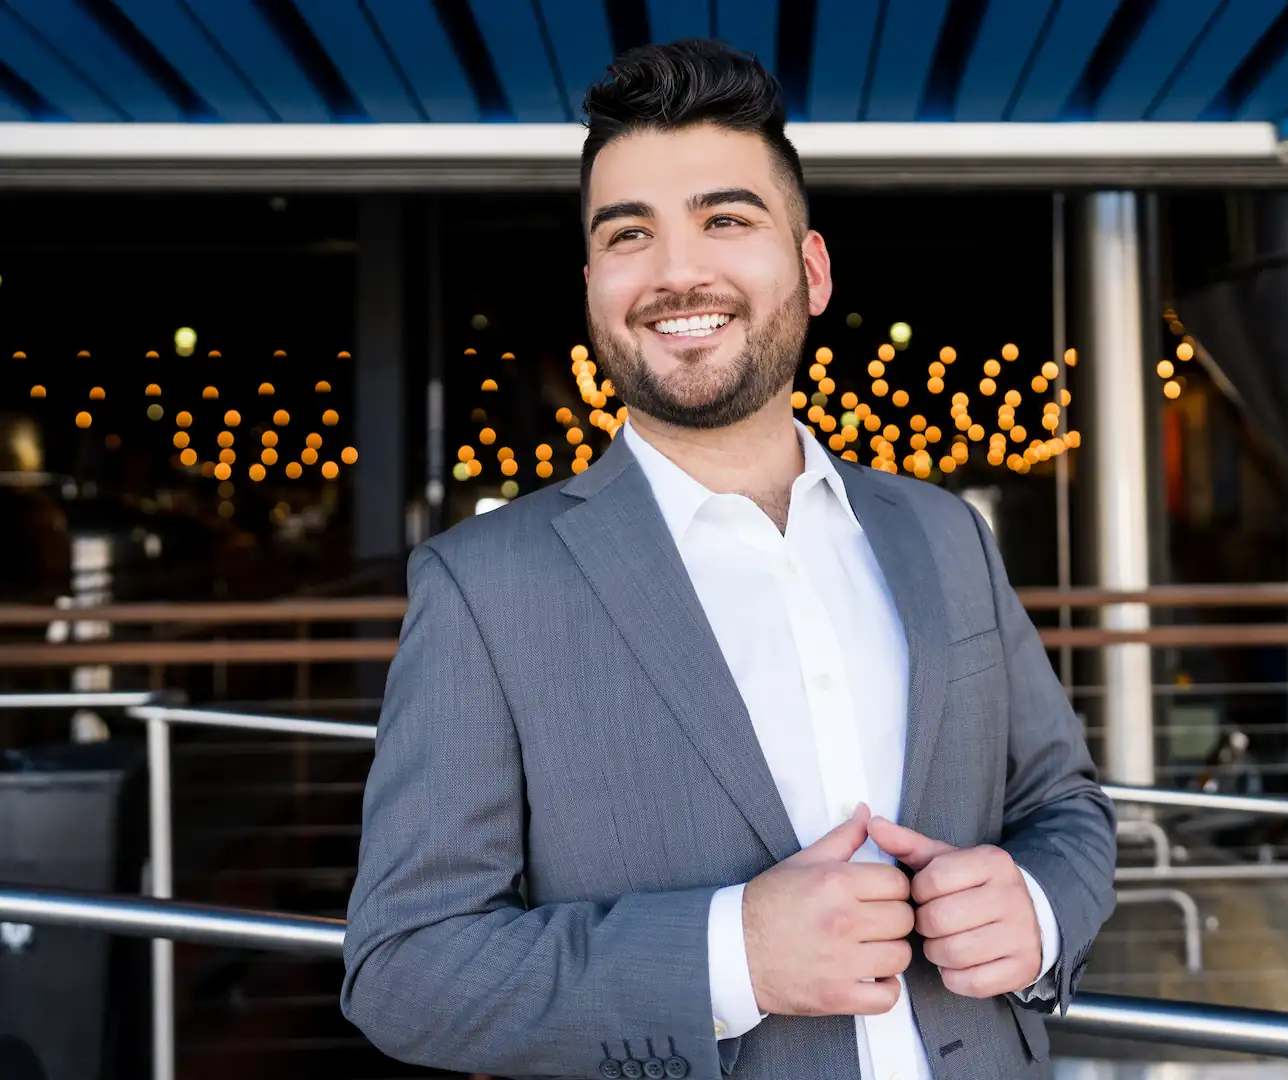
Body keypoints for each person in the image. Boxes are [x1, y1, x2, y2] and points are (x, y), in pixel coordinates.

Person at [341, 38, 1116, 1080]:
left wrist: (1033, 905)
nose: (676, 272)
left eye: (727, 219)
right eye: (629, 235)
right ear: (593, 285)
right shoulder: (483, 588)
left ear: (812, 269)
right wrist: (728, 956)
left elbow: (1066, 807)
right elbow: (404, 969)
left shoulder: (944, 534)